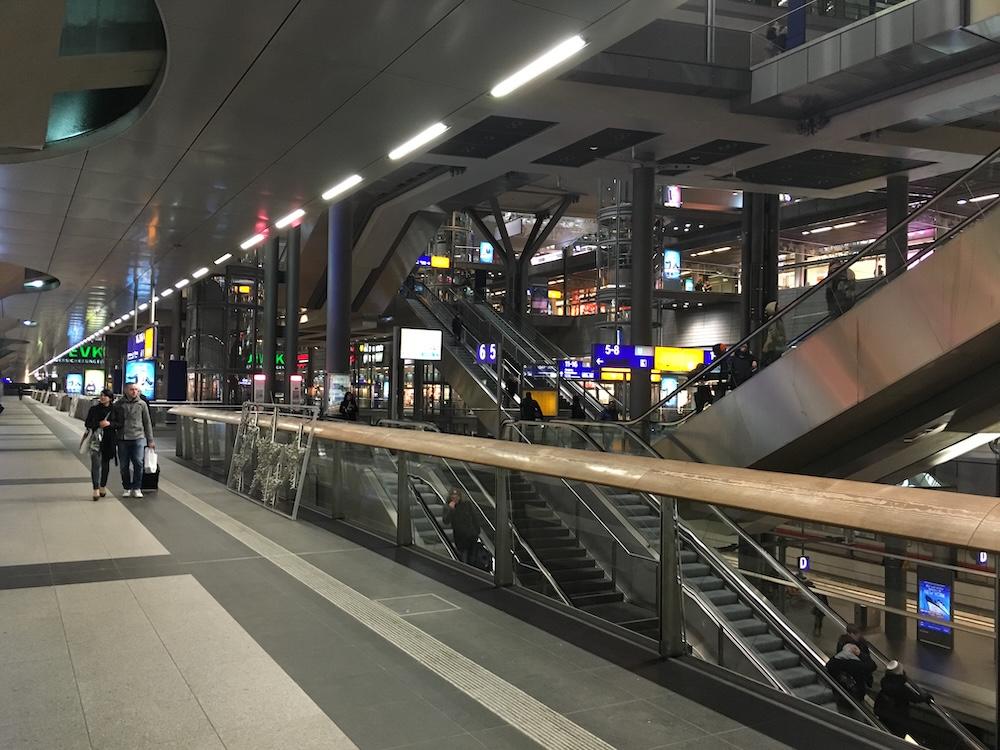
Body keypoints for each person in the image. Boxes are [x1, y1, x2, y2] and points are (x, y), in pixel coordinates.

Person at [111, 383, 154, 498]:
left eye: (136, 389)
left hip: (138, 437)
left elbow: (147, 422)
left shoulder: (142, 404)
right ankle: (126, 487)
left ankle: (137, 487)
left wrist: (150, 440)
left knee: (138, 463)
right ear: (126, 391)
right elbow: (114, 421)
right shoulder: (118, 404)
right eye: (131, 389)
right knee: (124, 465)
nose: (134, 392)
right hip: (122, 438)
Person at [874, 661, 928, 739]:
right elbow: (916, 698)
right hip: (897, 718)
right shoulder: (901, 688)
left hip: (884, 713)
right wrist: (927, 697)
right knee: (897, 737)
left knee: (885, 732)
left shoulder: (885, 681)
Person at [84, 389, 117, 501]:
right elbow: (87, 423)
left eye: (105, 396)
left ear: (110, 398)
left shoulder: (115, 409)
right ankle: (95, 488)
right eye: (101, 395)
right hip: (95, 440)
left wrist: (109, 424)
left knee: (105, 464)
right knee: (95, 464)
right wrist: (98, 424)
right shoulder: (94, 409)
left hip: (109, 440)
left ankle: (103, 486)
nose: (102, 397)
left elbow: (120, 423)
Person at [442, 488, 481, 565]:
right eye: (453, 497)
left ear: (460, 497)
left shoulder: (467, 504)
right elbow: (446, 521)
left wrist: (477, 531)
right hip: (460, 538)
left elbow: (474, 517)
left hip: (471, 535)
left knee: (473, 557)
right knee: (464, 558)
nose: (455, 498)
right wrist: (451, 509)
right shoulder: (448, 506)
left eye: (457, 496)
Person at [761, 301, 786, 368]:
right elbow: (773, 332)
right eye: (777, 306)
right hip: (773, 346)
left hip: (775, 346)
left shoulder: (777, 318)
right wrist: (780, 339)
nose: (779, 307)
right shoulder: (773, 319)